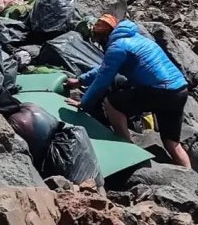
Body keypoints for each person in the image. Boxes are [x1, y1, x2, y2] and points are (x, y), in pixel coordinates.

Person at [65, 15, 191, 168]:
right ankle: (189, 176)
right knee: (171, 142)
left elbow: (102, 81)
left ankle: (125, 144)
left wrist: (83, 103)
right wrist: (80, 81)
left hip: (160, 91)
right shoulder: (137, 38)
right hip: (179, 90)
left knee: (111, 102)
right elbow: (104, 69)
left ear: (104, 36)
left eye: (97, 38)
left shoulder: (117, 47)